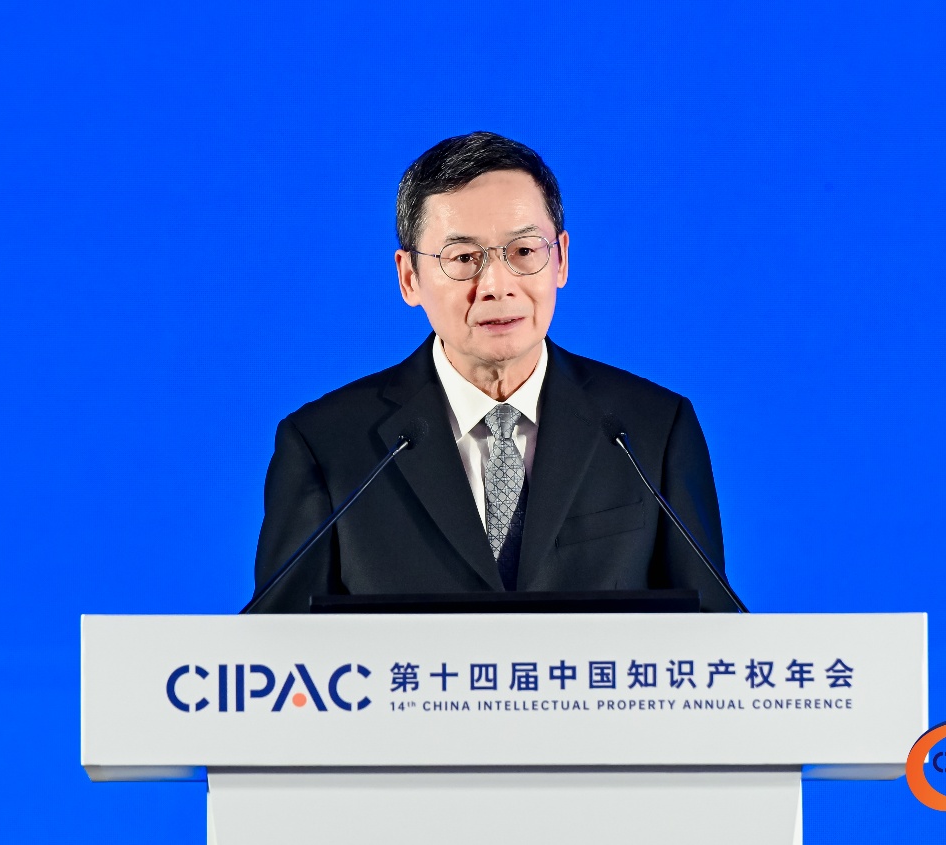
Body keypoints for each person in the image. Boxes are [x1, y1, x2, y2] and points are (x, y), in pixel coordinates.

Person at [249, 131, 737, 612]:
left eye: (523, 252)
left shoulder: (652, 430)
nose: (497, 285)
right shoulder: (326, 445)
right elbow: (277, 649)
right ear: (409, 277)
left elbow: (711, 634)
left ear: (561, 260)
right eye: (463, 258)